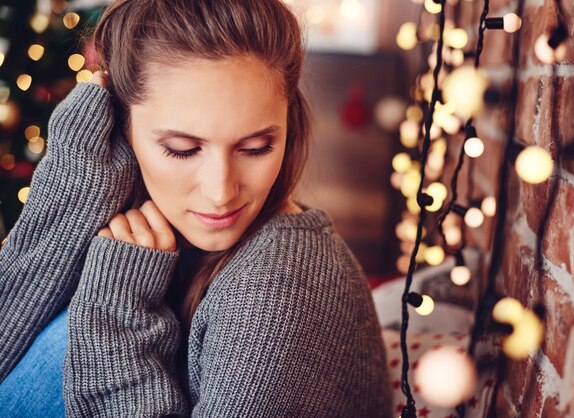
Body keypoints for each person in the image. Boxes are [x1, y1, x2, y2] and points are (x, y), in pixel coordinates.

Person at [0, 0, 393, 416]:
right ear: (121, 131)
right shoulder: (149, 230)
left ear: (288, 123)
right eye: (182, 150)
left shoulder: (280, 284)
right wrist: (73, 195)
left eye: (256, 147)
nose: (221, 191)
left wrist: (117, 321)